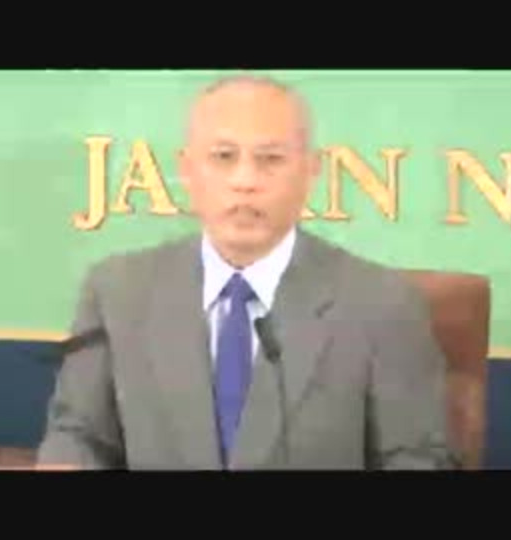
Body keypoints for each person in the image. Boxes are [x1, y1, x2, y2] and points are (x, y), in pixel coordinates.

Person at [35, 74, 458, 470]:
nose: (245, 180)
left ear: (310, 172)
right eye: (223, 157)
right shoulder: (118, 292)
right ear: (187, 169)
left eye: (270, 159)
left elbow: (417, 458)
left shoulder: (382, 304)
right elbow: (79, 436)